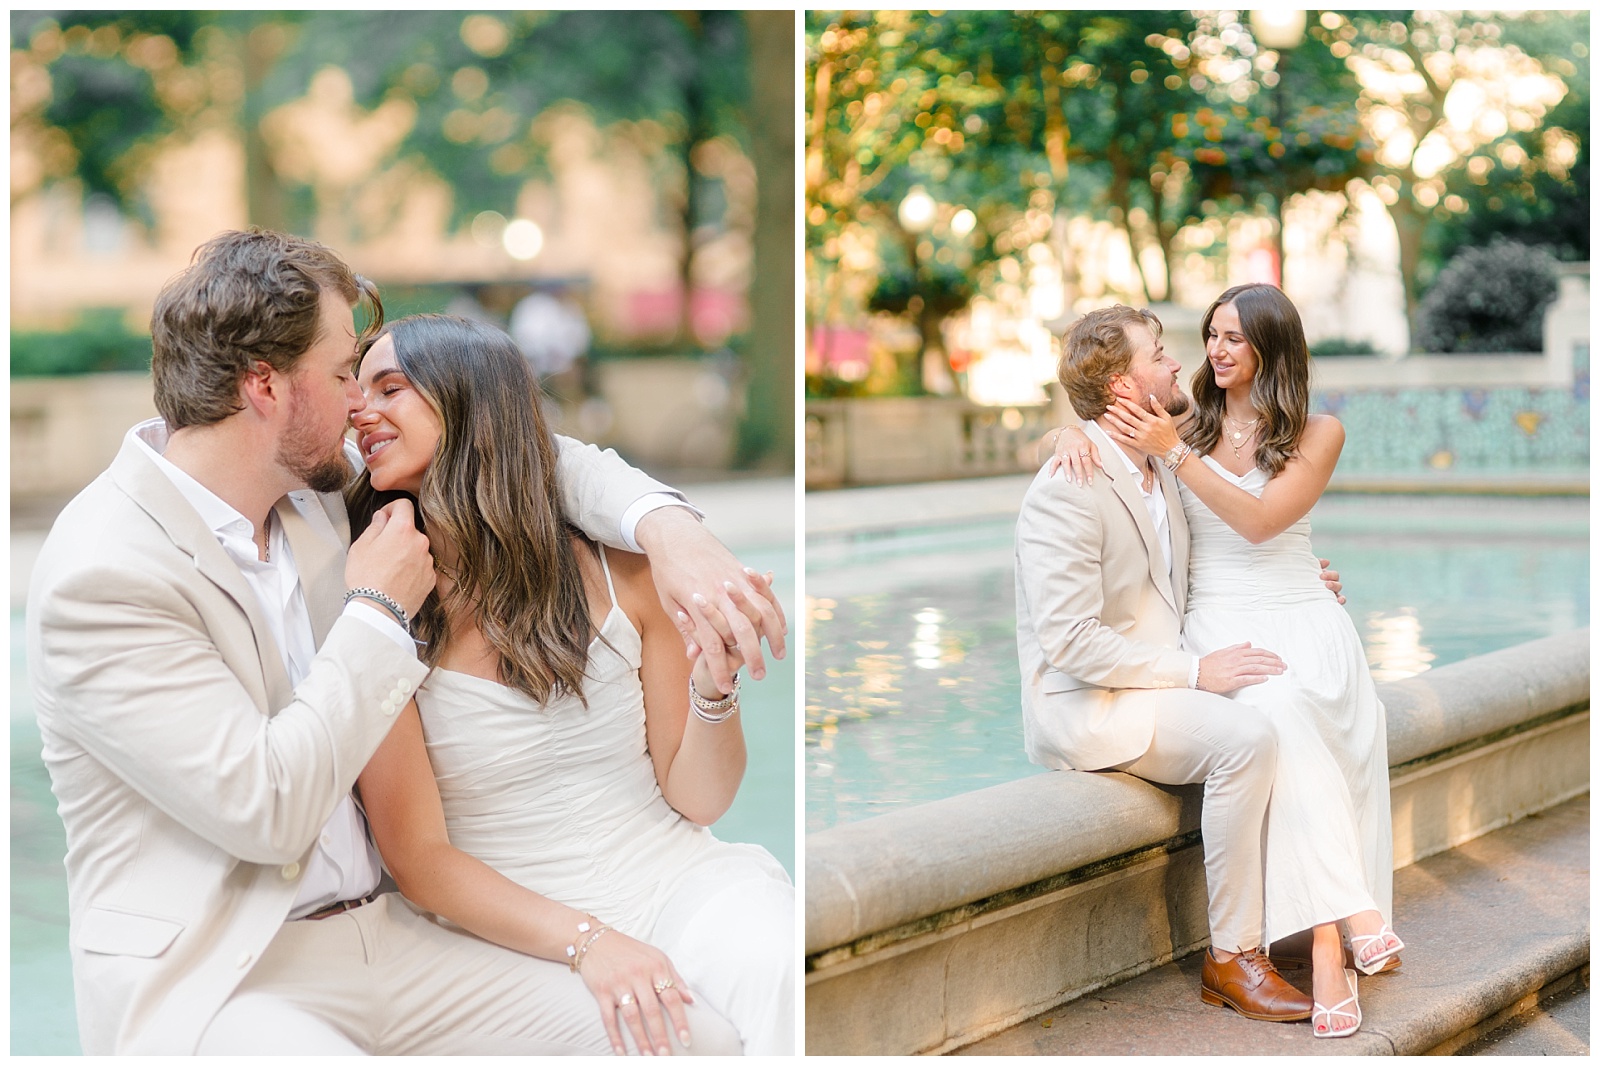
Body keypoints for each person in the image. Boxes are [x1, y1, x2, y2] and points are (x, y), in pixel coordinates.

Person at [26, 228, 783, 1055]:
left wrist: (667, 528)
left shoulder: (308, 493)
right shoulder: (104, 571)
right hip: (229, 971)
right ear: (265, 386)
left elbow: (507, 446)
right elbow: (268, 810)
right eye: (346, 372)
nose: (358, 404)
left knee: (690, 1038)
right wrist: (376, 611)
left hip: (393, 941)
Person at [346, 313, 795, 1056]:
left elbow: (699, 800)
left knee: (774, 959)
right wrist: (591, 942)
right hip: (509, 931)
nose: (361, 409)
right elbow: (418, 859)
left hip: (675, 878)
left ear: (468, 405)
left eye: (388, 387)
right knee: (669, 1036)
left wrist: (716, 689)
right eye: (356, 390)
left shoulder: (625, 572)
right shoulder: (380, 601)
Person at [1051, 285, 1400, 1038]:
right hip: (1219, 626)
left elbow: (1261, 521)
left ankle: (1334, 937)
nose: (1214, 350)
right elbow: (1091, 414)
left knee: (1320, 711)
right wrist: (1065, 436)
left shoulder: (1317, 431)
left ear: (1273, 348)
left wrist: (1171, 454)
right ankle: (1343, 933)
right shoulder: (1186, 420)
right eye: (1210, 334)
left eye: (1235, 338)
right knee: (1277, 713)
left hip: (1302, 614)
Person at [1015, 303, 1316, 1027]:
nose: (1177, 363)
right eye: (1159, 353)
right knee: (1245, 740)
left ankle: (1309, 912)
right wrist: (1192, 673)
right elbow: (1070, 641)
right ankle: (1233, 955)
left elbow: (1221, 545)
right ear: (1122, 383)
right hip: (1090, 702)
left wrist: (1302, 581)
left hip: (1151, 687)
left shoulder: (1158, 460)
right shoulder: (1068, 483)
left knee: (1289, 703)